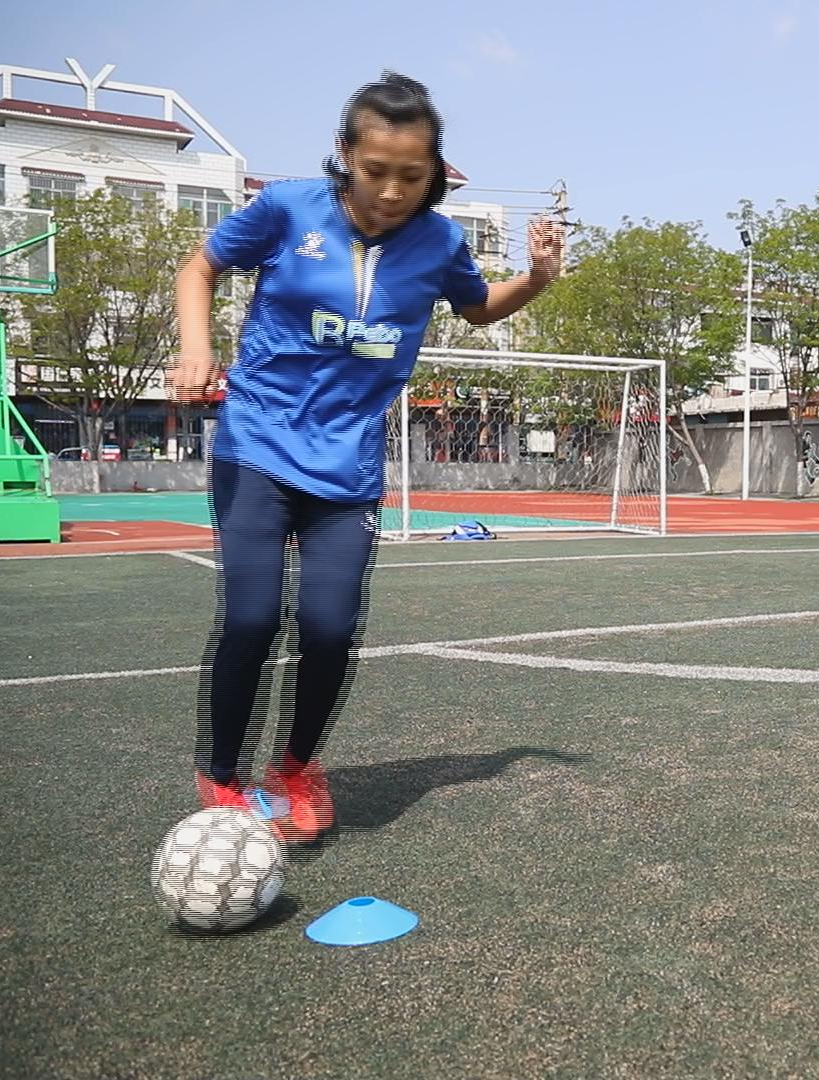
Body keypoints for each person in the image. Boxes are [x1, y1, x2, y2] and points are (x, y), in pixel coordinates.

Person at [170, 72, 565, 841]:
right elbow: (200, 266)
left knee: (329, 627)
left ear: (433, 173)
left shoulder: (439, 242)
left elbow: (478, 307)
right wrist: (195, 346)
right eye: (375, 170)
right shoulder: (288, 209)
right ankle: (220, 777)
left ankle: (296, 768)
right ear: (345, 153)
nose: (390, 191)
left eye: (411, 176)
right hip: (257, 443)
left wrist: (537, 280)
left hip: (346, 469)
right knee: (251, 617)